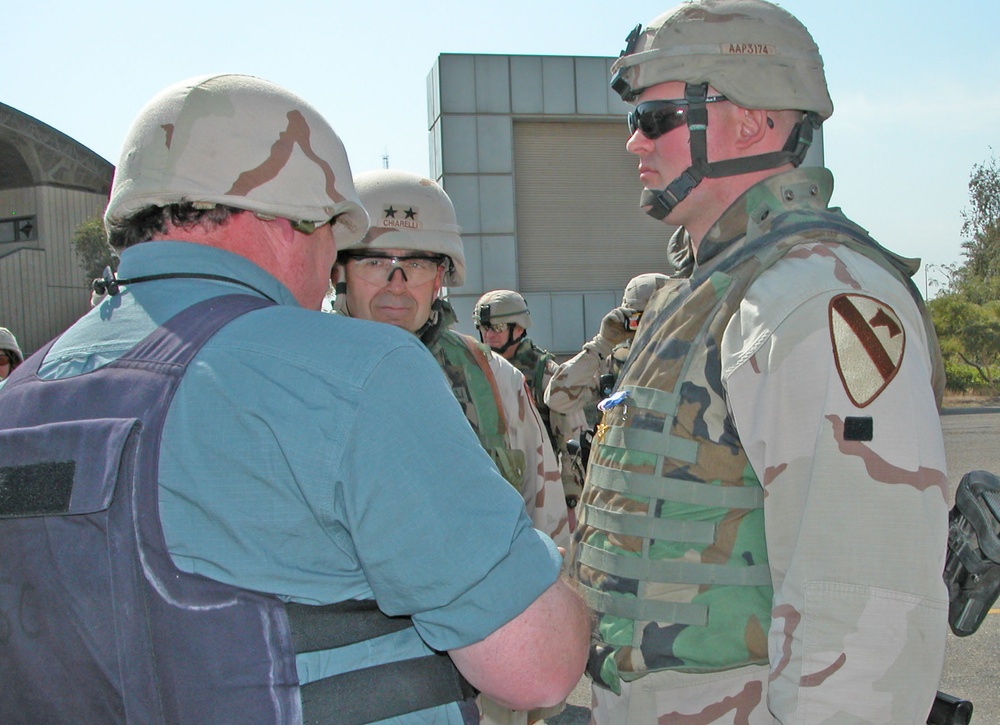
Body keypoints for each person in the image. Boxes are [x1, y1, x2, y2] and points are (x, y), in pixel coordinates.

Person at [0, 74, 589, 724]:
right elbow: (538, 666)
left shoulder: (19, 397)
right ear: (292, 222)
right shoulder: (359, 371)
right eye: (339, 240)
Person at [568, 2, 950, 722]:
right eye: (635, 121)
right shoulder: (704, 292)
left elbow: (863, 607)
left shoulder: (814, 295)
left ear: (751, 120)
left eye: (656, 120)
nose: (634, 144)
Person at [473, 290, 588, 518]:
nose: (488, 336)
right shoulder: (473, 368)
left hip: (536, 485)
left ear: (518, 328)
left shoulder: (545, 374)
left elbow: (570, 440)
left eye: (497, 328)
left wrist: (571, 499)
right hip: (487, 483)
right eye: (484, 328)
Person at [544, 273, 671, 429]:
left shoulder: (695, 357)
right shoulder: (614, 361)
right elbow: (558, 400)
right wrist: (601, 344)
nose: (648, 327)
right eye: (640, 319)